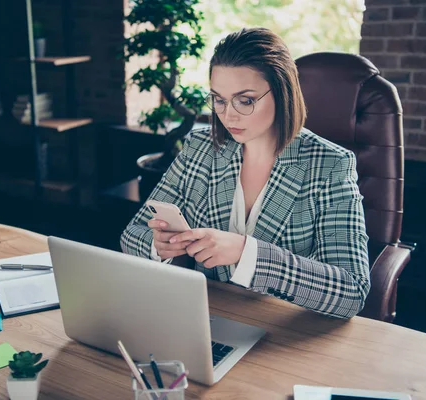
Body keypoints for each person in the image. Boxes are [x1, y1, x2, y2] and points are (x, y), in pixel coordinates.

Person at [120, 27, 370, 319]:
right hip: (204, 317)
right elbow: (132, 234)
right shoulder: (200, 147)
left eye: (246, 100)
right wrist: (158, 247)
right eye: (219, 99)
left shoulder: (331, 164)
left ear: (281, 92)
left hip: (283, 329)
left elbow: (352, 291)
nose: (228, 115)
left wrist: (246, 253)